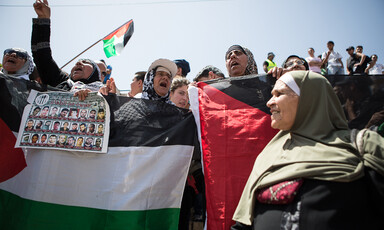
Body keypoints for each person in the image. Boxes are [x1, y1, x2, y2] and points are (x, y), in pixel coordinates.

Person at [232, 71, 384, 230]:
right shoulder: (267, 155)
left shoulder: (362, 145)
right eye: (271, 94)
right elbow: (244, 224)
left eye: (279, 94)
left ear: (309, 99)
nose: (270, 102)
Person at [32, 0, 103, 91]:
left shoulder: (105, 92)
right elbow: (42, 56)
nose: (78, 63)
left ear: (95, 73)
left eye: (86, 62)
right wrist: (43, 19)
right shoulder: (61, 82)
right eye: (77, 62)